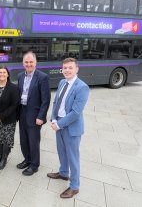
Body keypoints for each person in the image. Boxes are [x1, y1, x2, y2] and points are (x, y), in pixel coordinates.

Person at [47, 58, 89, 199]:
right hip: (58, 124)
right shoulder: (61, 82)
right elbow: (56, 102)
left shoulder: (81, 87)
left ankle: (75, 186)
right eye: (64, 68)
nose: (67, 70)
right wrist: (53, 119)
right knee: (61, 151)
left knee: (73, 157)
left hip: (71, 128)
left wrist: (59, 124)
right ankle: (64, 173)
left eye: (70, 68)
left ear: (77, 69)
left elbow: (76, 113)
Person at [17, 51, 51, 176]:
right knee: (23, 139)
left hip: (35, 115)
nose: (29, 64)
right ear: (23, 63)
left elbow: (46, 100)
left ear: (35, 63)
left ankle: (34, 165)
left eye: (31, 62)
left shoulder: (42, 77)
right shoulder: (20, 76)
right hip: (22, 112)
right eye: (26, 62)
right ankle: (27, 159)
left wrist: (41, 116)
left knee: (33, 140)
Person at [0, 66, 20, 170]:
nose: (2, 74)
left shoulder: (13, 87)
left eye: (4, 72)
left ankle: (4, 158)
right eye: (0, 72)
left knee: (6, 139)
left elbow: (14, 105)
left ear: (7, 74)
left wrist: (1, 117)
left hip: (8, 119)